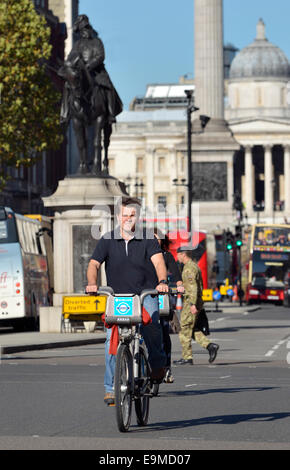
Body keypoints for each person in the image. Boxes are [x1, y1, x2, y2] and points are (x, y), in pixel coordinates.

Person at [86, 197, 168, 405]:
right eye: (125, 215)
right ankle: (110, 389)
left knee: (152, 327)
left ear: (138, 217)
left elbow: (158, 262)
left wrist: (162, 281)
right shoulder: (107, 239)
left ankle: (158, 364)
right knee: (110, 342)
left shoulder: (148, 239)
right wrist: (92, 284)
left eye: (133, 215)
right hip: (118, 297)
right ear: (118, 217)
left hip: (144, 294)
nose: (128, 219)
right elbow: (94, 264)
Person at [173, 246, 219, 365]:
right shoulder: (193, 266)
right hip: (193, 301)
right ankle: (210, 346)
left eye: (178, 254)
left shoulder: (189, 269)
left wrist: (192, 304)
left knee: (184, 329)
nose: (177, 257)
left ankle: (187, 357)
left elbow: (193, 288)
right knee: (191, 329)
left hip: (190, 303)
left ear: (183, 254)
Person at [154, 229, 184, 383]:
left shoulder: (166, 256)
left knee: (164, 331)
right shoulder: (143, 254)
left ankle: (166, 368)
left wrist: (179, 285)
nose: (154, 240)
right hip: (144, 295)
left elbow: (176, 273)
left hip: (161, 297)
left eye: (157, 238)